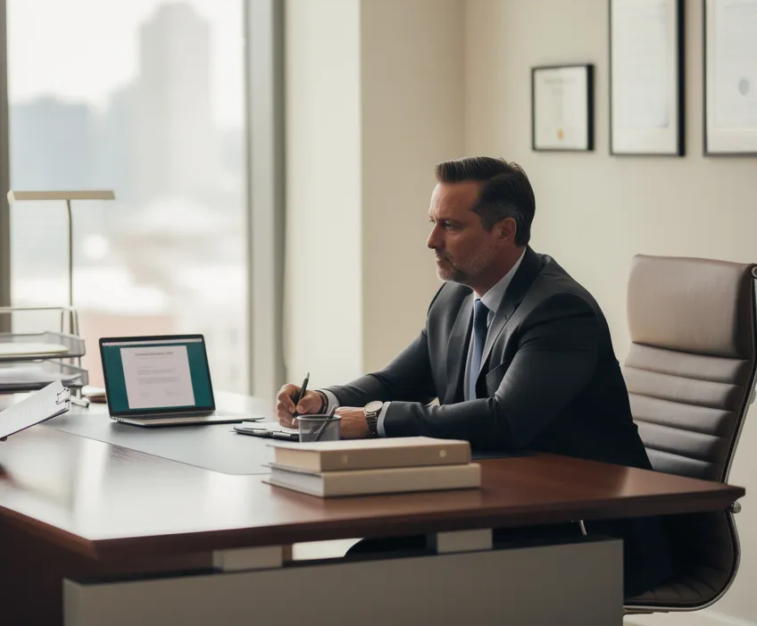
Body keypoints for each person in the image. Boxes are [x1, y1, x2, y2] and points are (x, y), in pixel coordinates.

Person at [275, 156, 673, 597]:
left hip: (584, 528)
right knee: (369, 564)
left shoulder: (558, 310)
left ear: (504, 231)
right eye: (433, 222)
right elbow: (394, 382)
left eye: (450, 226)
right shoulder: (455, 298)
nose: (430, 241)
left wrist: (372, 421)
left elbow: (506, 419)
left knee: (378, 573)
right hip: (495, 506)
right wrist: (325, 403)